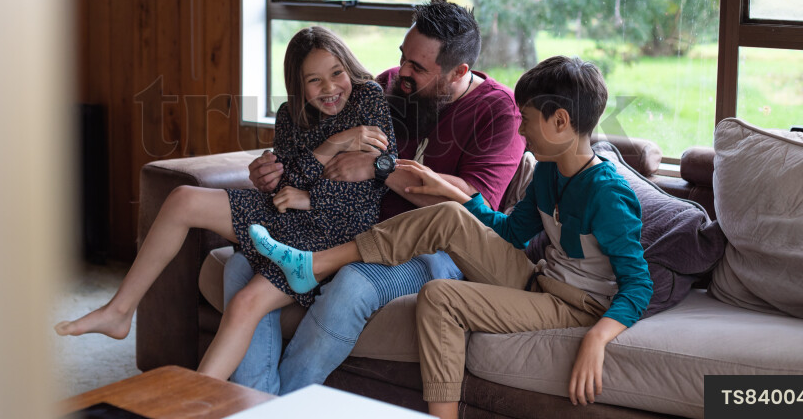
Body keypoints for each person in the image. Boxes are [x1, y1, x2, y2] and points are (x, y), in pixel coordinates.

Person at [250, 55, 654, 418]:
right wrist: (455, 194)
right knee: (445, 214)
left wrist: (597, 338)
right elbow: (511, 233)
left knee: (440, 296)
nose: (521, 128)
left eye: (527, 118)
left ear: (560, 121)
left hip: (575, 306)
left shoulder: (608, 193)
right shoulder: (548, 171)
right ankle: (315, 264)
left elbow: (638, 285)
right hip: (538, 279)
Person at [55, 26, 397, 380]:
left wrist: (310, 197)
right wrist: (332, 146)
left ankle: (197, 402)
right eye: (314, 80)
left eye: (336, 73)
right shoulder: (289, 114)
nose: (329, 88)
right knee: (182, 199)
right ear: (298, 86)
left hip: (333, 232)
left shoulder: (367, 98)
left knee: (244, 304)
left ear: (348, 67)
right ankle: (120, 310)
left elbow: (373, 183)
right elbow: (286, 185)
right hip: (287, 215)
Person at [224, 1, 525, 393]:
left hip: (436, 249)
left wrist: (379, 167)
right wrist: (273, 171)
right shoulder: (386, 88)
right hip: (357, 227)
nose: (402, 73)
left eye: (418, 68)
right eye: (403, 57)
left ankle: (280, 407)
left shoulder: (498, 112)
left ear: (459, 73)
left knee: (353, 283)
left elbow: (467, 204)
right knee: (239, 265)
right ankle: (256, 404)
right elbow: (313, 141)